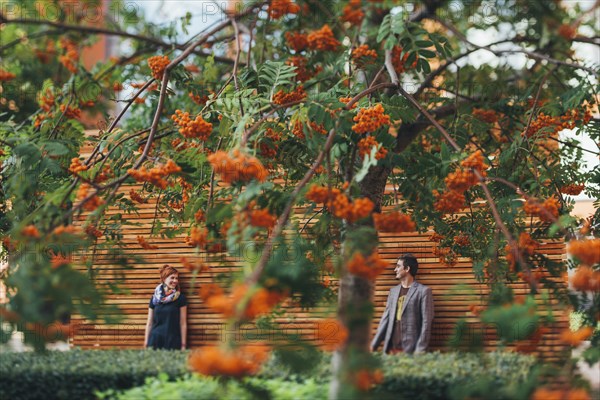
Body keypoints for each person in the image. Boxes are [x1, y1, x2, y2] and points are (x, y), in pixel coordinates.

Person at [371, 253, 433, 354]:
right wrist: (374, 345)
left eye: (398, 266)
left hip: (411, 349)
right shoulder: (393, 292)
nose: (395, 270)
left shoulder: (424, 291)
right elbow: (385, 320)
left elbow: (426, 323)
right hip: (390, 349)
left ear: (407, 268)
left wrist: (420, 350)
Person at [144, 265, 187, 350]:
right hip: (155, 340)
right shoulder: (155, 298)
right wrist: (146, 342)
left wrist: (183, 345)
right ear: (164, 279)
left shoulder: (180, 298)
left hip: (173, 341)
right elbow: (149, 323)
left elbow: (183, 323)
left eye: (176, 278)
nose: (175, 281)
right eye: (172, 278)